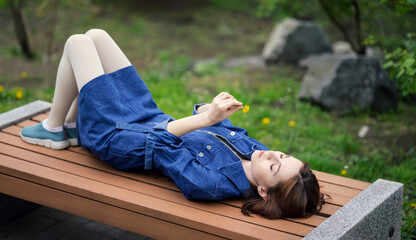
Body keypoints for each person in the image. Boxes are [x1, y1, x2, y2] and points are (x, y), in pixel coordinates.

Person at [20, 29, 325, 219]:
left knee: (77, 43)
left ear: (262, 191)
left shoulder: (211, 184)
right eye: (282, 155)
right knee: (97, 36)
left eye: (274, 167)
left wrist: (204, 118)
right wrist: (213, 110)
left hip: (117, 138)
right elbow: (218, 127)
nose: (271, 155)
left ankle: (53, 128)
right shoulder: (257, 153)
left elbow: (161, 145)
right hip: (148, 115)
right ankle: (70, 126)